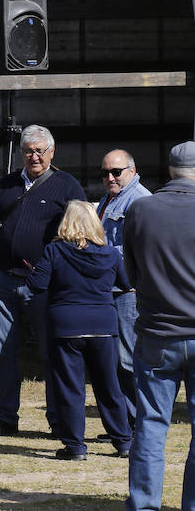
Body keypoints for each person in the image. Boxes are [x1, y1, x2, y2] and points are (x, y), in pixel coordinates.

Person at [0, 124, 86, 436]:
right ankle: (6, 418)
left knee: (52, 353)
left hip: (45, 285)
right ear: (21, 153)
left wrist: (60, 274)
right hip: (2, 283)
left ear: (52, 152)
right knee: (3, 354)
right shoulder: (7, 185)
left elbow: (79, 234)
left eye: (40, 151)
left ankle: (58, 421)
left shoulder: (67, 186)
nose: (34, 156)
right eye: (28, 151)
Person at [23, 200, 132, 461]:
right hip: (102, 325)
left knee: (70, 388)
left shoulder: (55, 250)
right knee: (109, 386)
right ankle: (124, 441)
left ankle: (75, 447)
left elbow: (37, 286)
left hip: (66, 325)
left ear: (67, 222)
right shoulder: (110, 253)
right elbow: (126, 283)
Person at [123, 141, 195, 511]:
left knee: (150, 425)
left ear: (169, 170)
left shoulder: (140, 210)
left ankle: (144, 504)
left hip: (156, 333)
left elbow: (130, 273)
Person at [96, 149, 150, 429]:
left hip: (128, 292)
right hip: (110, 291)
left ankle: (140, 424)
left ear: (132, 170)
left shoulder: (139, 200)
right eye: (105, 172)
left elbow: (141, 248)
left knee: (130, 360)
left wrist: (97, 253)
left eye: (116, 172)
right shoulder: (109, 198)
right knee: (116, 361)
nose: (110, 178)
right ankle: (124, 425)